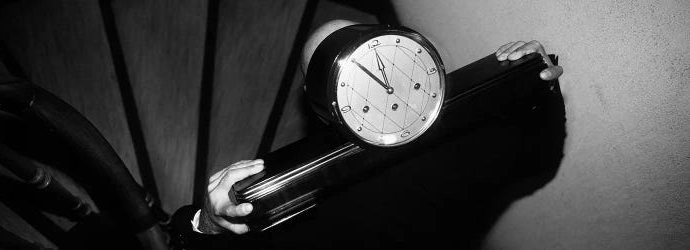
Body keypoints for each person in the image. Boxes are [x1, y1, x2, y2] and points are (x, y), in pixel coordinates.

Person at [172, 19, 564, 246]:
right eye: (346, 80)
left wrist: (537, 85)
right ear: (326, 114)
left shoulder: (470, 135)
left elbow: (537, 160)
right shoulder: (300, 194)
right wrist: (208, 222)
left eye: (376, 52)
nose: (380, 85)